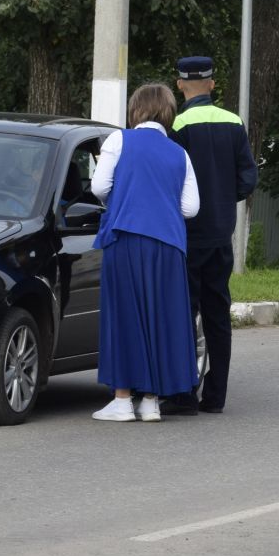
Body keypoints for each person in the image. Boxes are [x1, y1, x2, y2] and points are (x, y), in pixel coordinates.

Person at [90, 84, 200, 423]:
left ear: (135, 110)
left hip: (126, 239)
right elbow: (191, 207)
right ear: (168, 114)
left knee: (124, 316)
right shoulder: (179, 153)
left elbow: (98, 187)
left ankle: (122, 399)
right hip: (168, 246)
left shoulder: (118, 141)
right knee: (160, 317)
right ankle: (151, 401)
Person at [164, 55, 258, 414]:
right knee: (218, 315)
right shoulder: (234, 122)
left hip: (186, 236)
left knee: (185, 315)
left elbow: (173, 177)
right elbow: (248, 179)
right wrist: (222, 198)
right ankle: (216, 397)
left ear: (179, 84)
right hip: (222, 235)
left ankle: (185, 393)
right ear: (212, 85)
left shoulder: (179, 125)